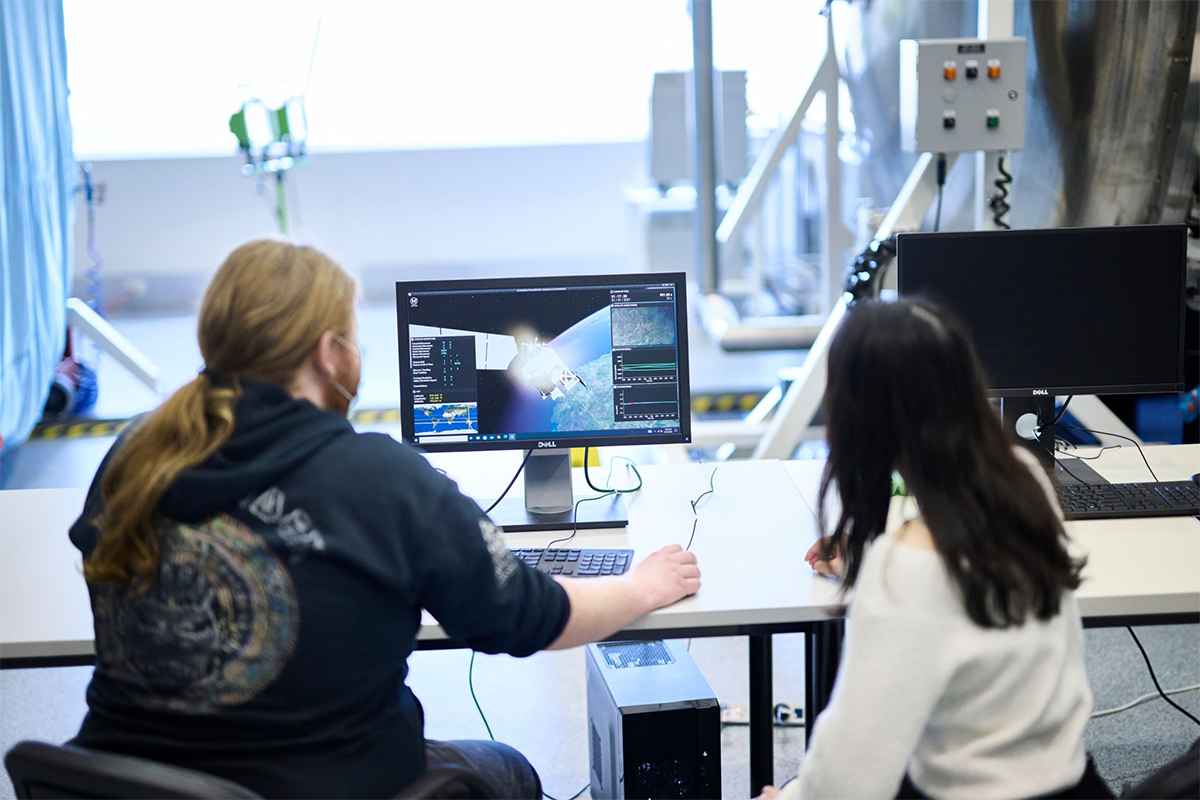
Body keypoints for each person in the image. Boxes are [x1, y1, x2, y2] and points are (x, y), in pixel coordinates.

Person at [67, 239, 700, 799]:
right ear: (328, 354)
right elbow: (533, 616)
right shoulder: (380, 478)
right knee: (509, 770)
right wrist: (640, 587)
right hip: (322, 783)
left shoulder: (137, 454)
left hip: (127, 780)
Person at [760, 299, 1109, 799]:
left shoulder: (906, 568)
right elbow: (959, 600)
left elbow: (848, 783)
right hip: (1075, 786)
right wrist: (869, 568)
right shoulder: (1025, 481)